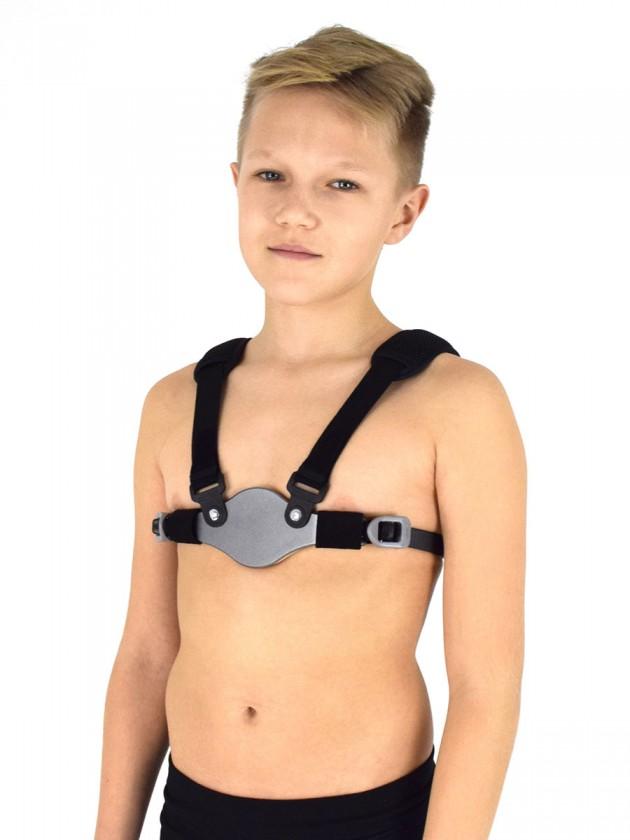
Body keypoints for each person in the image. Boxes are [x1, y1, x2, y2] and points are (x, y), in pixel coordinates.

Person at [94, 23, 526, 840]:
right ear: (235, 182)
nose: (296, 210)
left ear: (404, 212)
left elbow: (486, 686)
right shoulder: (173, 403)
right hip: (194, 813)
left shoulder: (455, 405)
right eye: (271, 174)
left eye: (342, 185)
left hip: (367, 817)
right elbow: (147, 654)